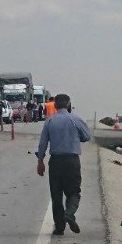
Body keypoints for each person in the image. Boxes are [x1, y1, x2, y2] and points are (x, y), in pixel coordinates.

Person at [35, 93, 91, 235]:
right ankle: (69, 213)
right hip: (72, 161)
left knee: (56, 195)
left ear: (54, 105)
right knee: (73, 192)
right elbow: (87, 136)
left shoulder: (49, 121)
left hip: (55, 162)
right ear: (69, 105)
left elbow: (42, 144)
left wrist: (40, 161)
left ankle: (59, 227)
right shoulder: (75, 119)